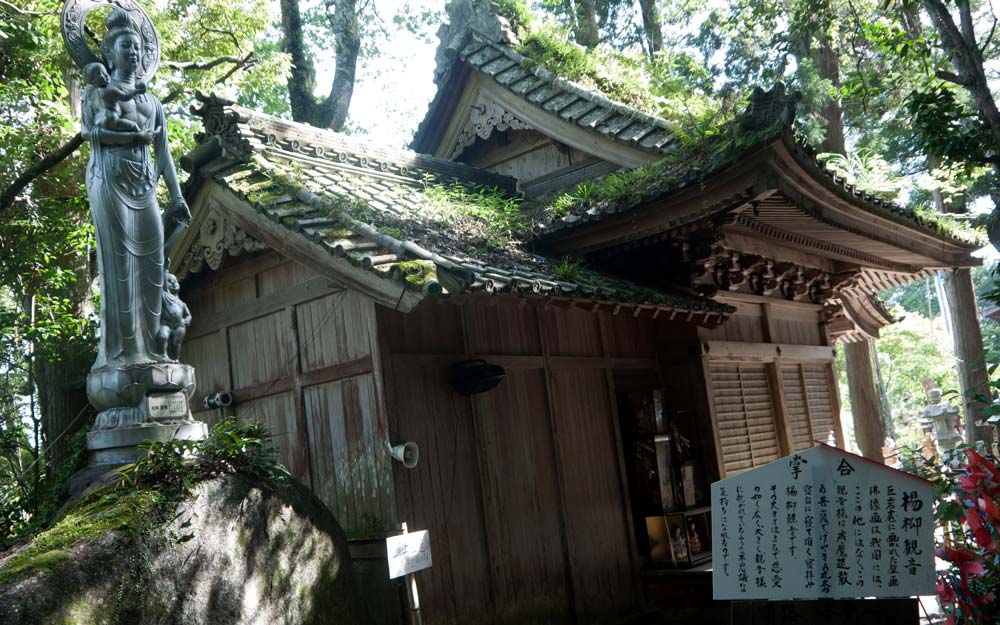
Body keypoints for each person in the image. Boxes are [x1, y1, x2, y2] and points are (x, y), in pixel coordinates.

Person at [81, 8, 190, 370]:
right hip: (111, 181)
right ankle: (126, 355)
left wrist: (175, 194)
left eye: (138, 47)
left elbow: (163, 153)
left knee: (153, 264)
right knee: (121, 267)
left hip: (145, 187)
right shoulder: (97, 93)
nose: (133, 52)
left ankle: (155, 349)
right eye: (125, 45)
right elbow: (92, 134)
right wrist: (130, 137)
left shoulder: (151, 103)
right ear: (109, 52)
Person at [82, 61, 146, 133]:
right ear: (94, 81)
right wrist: (137, 91)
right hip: (112, 120)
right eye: (100, 74)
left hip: (99, 120)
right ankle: (141, 134)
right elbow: (125, 97)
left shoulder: (94, 93)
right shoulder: (110, 90)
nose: (106, 75)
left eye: (105, 72)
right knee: (134, 125)